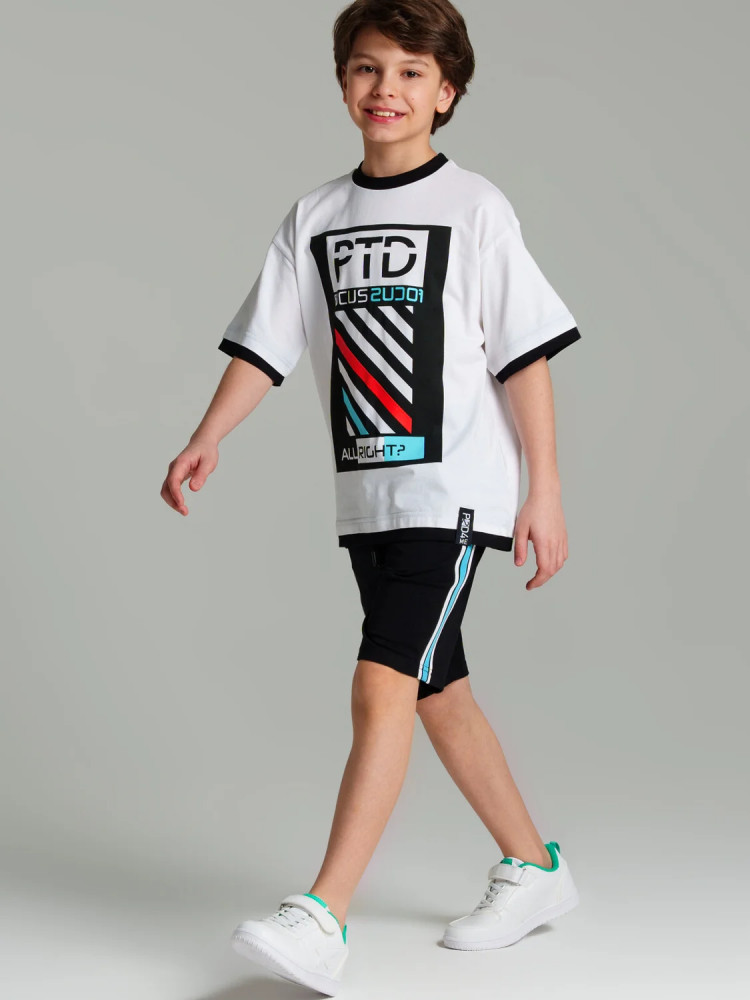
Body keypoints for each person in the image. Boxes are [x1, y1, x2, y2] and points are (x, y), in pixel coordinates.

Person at [161, 1, 582, 994]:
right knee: (438, 690)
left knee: (381, 680)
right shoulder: (315, 217)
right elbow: (268, 342)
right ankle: (534, 869)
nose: (385, 89)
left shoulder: (476, 207)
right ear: (343, 83)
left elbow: (523, 355)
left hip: (457, 492)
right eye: (366, 68)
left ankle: (324, 913)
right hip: (370, 495)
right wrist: (208, 434)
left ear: (447, 93)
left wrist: (545, 489)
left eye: (409, 72)